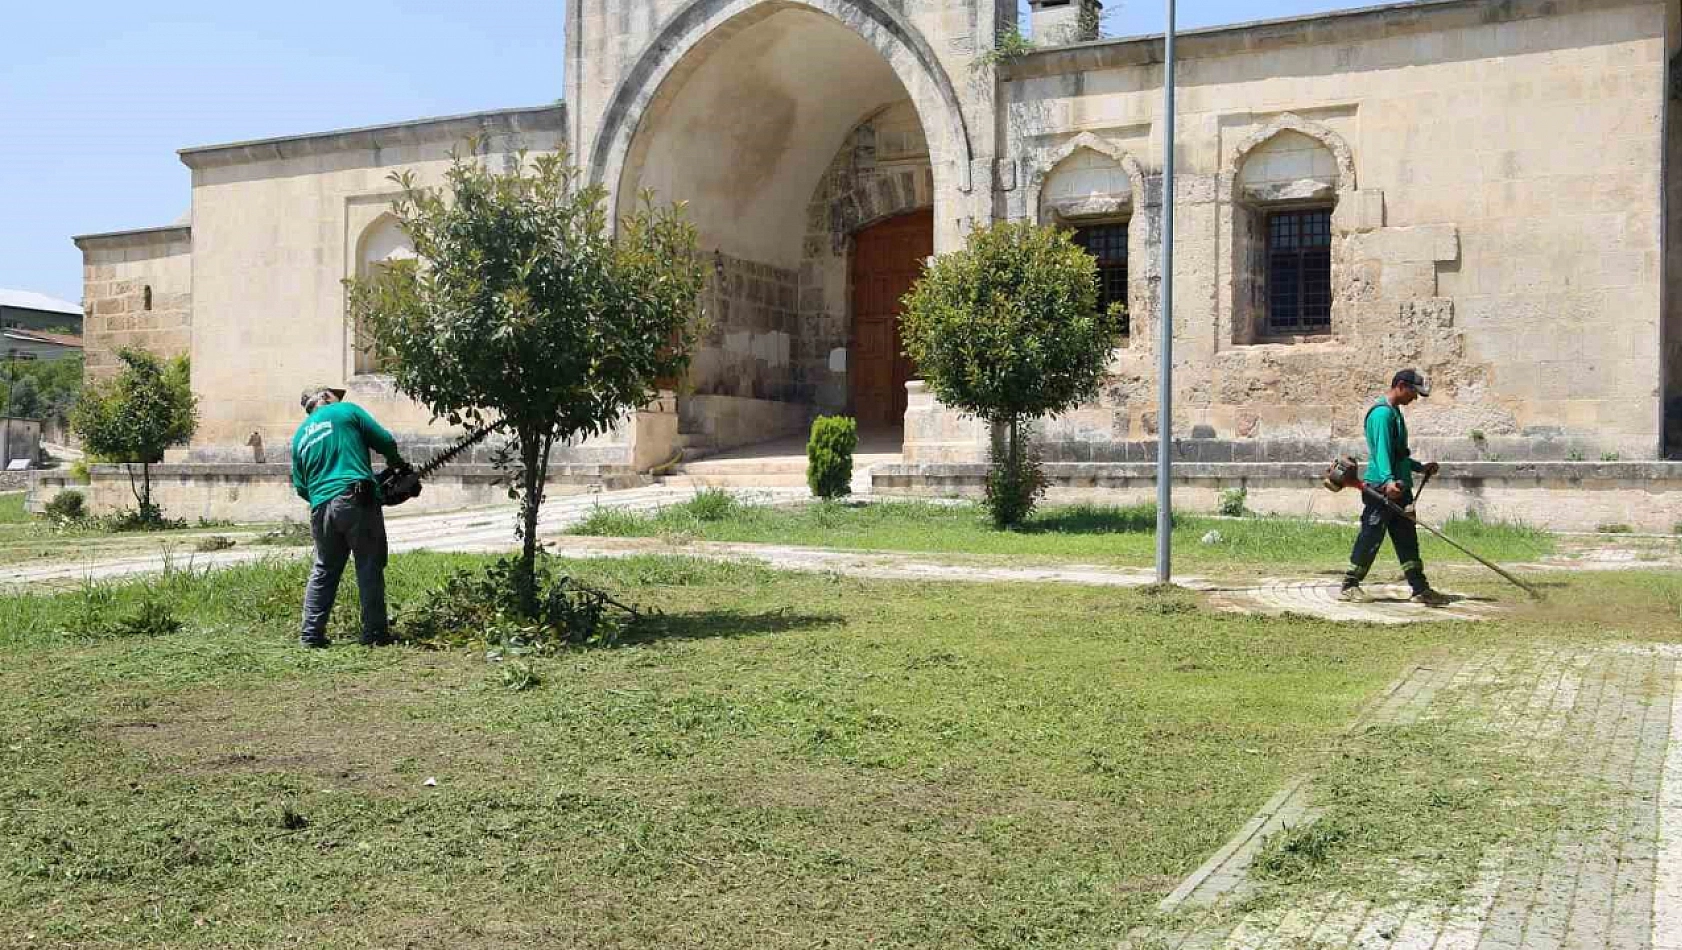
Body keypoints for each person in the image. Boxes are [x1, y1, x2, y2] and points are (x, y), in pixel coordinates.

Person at [291, 385, 407, 648]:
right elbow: (385, 441)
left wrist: (329, 498)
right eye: (334, 395)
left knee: (324, 569)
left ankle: (311, 635)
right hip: (354, 498)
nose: (338, 399)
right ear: (324, 398)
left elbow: (301, 486)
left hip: (320, 507)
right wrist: (398, 465)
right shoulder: (345, 411)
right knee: (368, 564)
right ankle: (375, 634)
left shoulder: (299, 436)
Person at [1339, 369, 1450, 606]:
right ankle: (1350, 584)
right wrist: (1389, 481)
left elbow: (1397, 454)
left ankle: (1420, 589)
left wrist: (1420, 467)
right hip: (1382, 489)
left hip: (1399, 488)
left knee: (1407, 539)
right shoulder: (1381, 415)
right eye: (1413, 392)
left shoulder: (1395, 413)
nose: (1415, 398)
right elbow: (1381, 453)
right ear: (1401, 385)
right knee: (1371, 537)